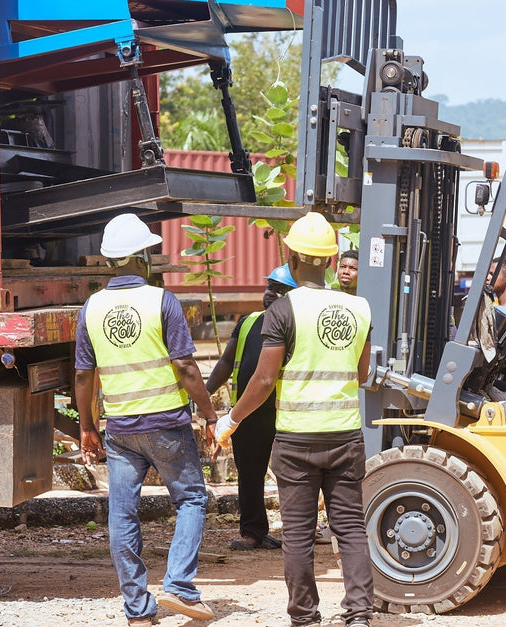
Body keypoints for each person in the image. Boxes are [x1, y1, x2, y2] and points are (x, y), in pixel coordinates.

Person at [214, 212, 374, 627]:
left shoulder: (283, 309)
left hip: (298, 439)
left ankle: (305, 616)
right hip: (344, 435)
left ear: (292, 255)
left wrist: (231, 419)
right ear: (332, 259)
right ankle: (359, 614)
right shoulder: (359, 307)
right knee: (351, 527)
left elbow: (264, 379)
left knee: (299, 534)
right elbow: (362, 375)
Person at [74, 213, 218, 626]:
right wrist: (209, 414)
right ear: (143, 258)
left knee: (123, 515)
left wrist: (87, 427)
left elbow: (84, 374)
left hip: (120, 431)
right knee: (191, 499)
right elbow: (187, 368)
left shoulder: (93, 308)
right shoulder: (161, 300)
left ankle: (138, 610)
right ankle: (179, 586)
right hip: (167, 425)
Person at [204, 265, 297, 551]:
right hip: (250, 412)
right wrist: (204, 393)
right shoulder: (248, 323)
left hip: (285, 412)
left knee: (292, 476)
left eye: (281, 291)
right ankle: (253, 532)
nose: (272, 294)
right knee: (249, 474)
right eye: (270, 287)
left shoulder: (297, 323)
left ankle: (298, 534)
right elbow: (225, 363)